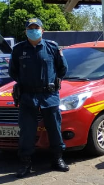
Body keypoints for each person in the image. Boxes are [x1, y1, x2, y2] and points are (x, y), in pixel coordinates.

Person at [9, 16, 69, 176]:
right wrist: (25, 83)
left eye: (36, 28)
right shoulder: (18, 49)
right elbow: (13, 71)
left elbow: (62, 68)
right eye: (30, 28)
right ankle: (25, 163)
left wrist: (55, 82)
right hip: (27, 96)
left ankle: (57, 159)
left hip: (49, 95)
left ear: (42, 30)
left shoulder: (52, 47)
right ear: (25, 31)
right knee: (27, 131)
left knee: (54, 129)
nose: (33, 31)